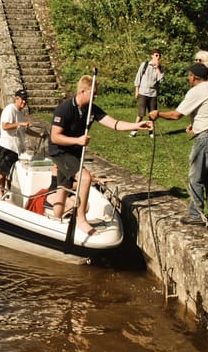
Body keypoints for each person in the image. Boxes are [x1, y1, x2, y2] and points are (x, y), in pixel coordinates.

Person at [49, 75, 152, 234]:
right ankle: (80, 219)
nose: (96, 96)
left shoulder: (91, 109)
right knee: (85, 178)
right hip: (60, 150)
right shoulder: (65, 108)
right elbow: (55, 136)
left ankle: (56, 221)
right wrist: (77, 140)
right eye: (93, 93)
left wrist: (137, 125)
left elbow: (114, 124)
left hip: (74, 151)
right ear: (82, 91)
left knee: (64, 186)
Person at [149, 63, 208, 225]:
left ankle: (196, 214)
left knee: (196, 176)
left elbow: (176, 115)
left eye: (189, 75)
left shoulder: (196, 91)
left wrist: (157, 113)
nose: (188, 78)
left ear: (193, 76)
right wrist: (195, 123)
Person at [0, 89, 47, 190]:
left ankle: (8, 193)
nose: (24, 102)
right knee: (2, 173)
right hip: (7, 147)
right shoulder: (10, 109)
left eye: (25, 100)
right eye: (22, 100)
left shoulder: (20, 113)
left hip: (16, 149)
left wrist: (39, 135)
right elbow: (5, 126)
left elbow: (25, 130)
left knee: (11, 175)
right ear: (16, 99)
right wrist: (20, 123)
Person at [130, 49, 164, 138]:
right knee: (140, 114)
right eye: (156, 55)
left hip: (153, 94)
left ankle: (151, 132)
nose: (158, 57)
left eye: (159, 55)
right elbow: (138, 77)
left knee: (152, 115)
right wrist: (136, 91)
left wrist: (157, 68)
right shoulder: (144, 65)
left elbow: (161, 80)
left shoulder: (160, 68)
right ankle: (134, 130)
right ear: (152, 56)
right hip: (143, 92)